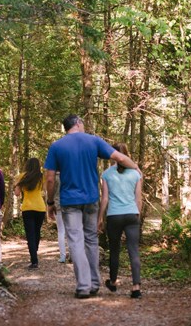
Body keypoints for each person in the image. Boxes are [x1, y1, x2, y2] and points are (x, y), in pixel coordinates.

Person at [45, 114, 141, 299]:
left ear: (66, 128)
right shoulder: (93, 141)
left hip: (69, 201)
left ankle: (83, 286)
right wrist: (135, 168)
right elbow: (119, 158)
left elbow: (50, 178)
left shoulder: (56, 146)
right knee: (91, 240)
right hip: (91, 199)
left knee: (75, 241)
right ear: (79, 124)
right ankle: (95, 282)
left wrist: (50, 202)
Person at [98, 142, 143, 299]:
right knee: (133, 251)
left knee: (115, 250)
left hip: (114, 216)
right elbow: (139, 199)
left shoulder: (106, 174)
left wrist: (100, 218)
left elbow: (104, 200)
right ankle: (136, 287)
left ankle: (113, 282)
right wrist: (138, 215)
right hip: (132, 214)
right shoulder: (136, 174)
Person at [14, 158, 47, 270]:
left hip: (27, 208)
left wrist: (18, 186)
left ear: (27, 165)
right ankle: (34, 254)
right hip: (40, 208)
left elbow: (17, 193)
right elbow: (44, 190)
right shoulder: (42, 177)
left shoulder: (22, 176)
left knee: (30, 235)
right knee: (36, 232)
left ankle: (34, 260)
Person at [54, 172, 68, 263]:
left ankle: (63, 255)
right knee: (71, 230)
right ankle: (73, 254)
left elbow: (51, 191)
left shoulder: (54, 177)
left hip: (58, 205)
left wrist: (50, 204)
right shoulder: (69, 174)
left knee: (61, 231)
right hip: (70, 204)